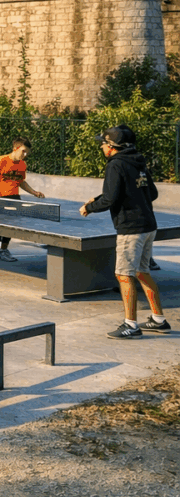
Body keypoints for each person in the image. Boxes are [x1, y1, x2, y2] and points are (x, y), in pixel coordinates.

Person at [79, 125, 170, 339]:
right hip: (148, 225)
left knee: (123, 274)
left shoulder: (115, 165)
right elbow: (152, 193)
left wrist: (89, 207)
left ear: (111, 147)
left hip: (131, 229)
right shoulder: (138, 161)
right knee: (141, 271)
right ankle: (158, 319)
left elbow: (110, 198)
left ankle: (131, 325)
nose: (101, 146)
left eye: (103, 143)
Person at [0, 137, 45, 262]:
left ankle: (4, 250)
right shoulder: (1, 161)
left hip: (14, 197)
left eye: (27, 153)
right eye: (23, 151)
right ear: (15, 149)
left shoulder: (22, 165)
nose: (25, 155)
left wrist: (34, 192)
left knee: (11, 226)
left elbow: (21, 181)